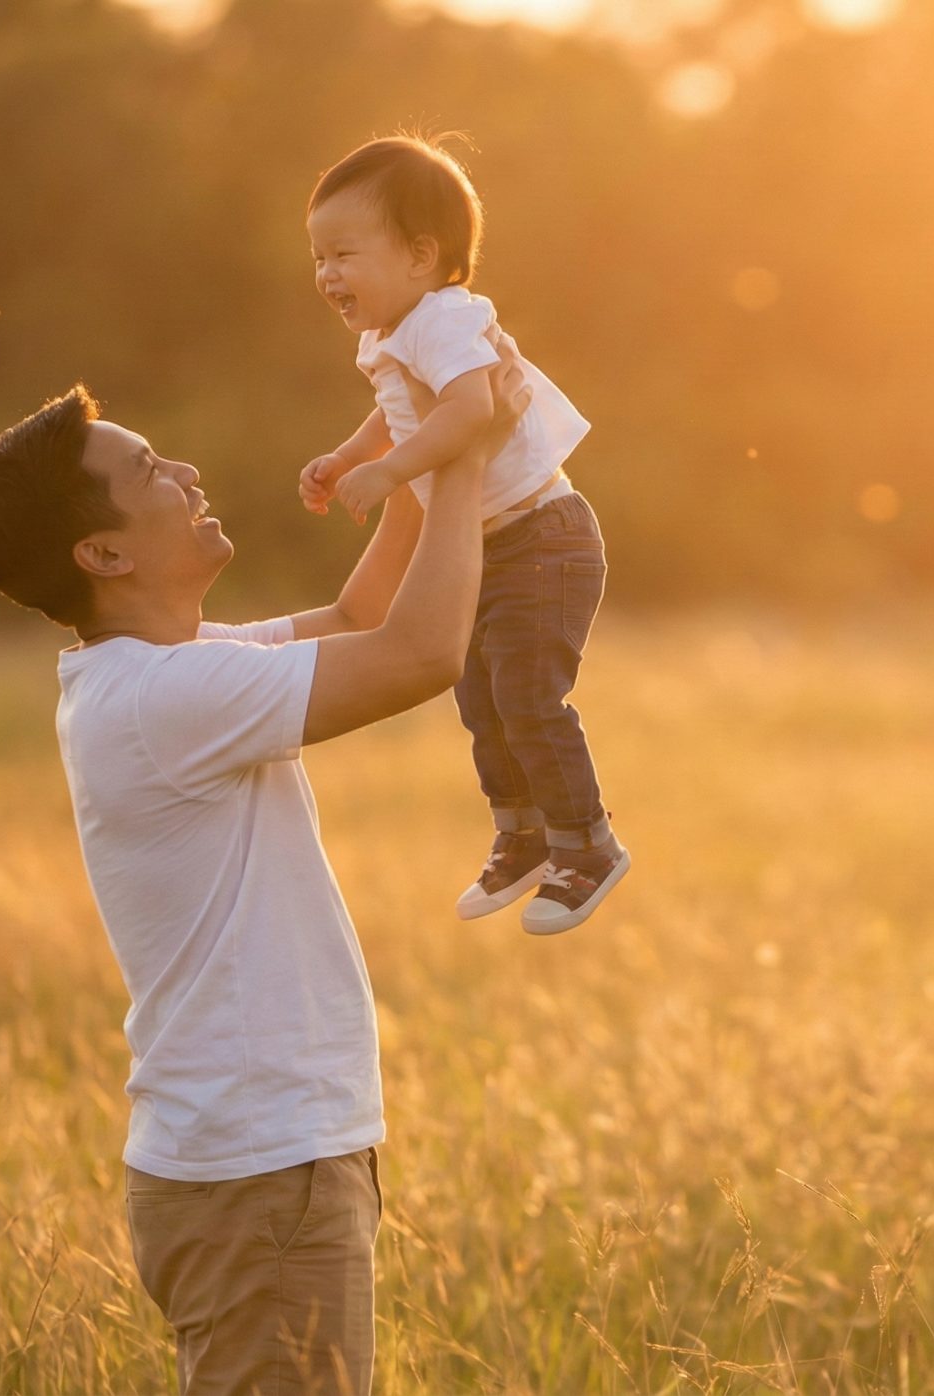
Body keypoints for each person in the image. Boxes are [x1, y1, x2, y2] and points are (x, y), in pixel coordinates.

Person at [0, 354, 526, 1395]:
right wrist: (464, 455)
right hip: (260, 1170)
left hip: (262, 1163)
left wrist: (412, 446)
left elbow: (359, 621)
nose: (187, 469)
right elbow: (421, 653)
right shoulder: (163, 698)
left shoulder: (167, 669)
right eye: (150, 469)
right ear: (104, 550)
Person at [298, 134, 632, 935]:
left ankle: (586, 843)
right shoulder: (391, 333)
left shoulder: (444, 317)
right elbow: (402, 407)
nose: (327, 275)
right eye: (318, 257)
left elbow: (470, 410)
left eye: (344, 253)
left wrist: (388, 475)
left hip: (542, 537)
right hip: (498, 542)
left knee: (524, 691)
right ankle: (522, 834)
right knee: (479, 694)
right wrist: (350, 456)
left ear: (421, 255)